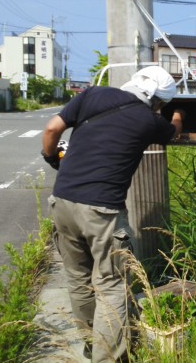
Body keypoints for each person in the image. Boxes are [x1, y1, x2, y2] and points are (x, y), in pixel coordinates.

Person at [41, 66, 185, 362]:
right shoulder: (150, 120)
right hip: (102, 212)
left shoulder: (91, 95)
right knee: (112, 286)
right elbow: (175, 132)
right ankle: (107, 358)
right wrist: (178, 115)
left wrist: (50, 157)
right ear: (158, 101)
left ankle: (91, 344)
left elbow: (52, 129)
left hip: (62, 201)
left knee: (78, 279)